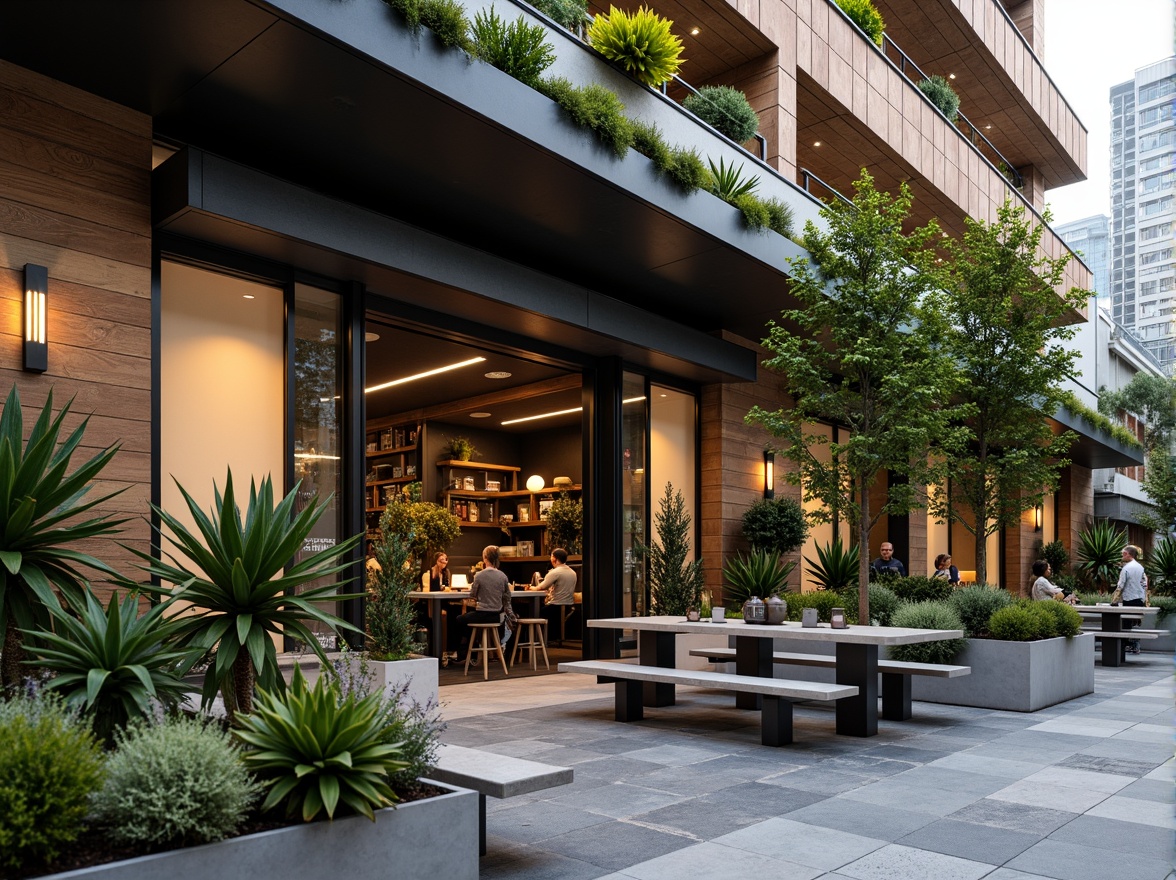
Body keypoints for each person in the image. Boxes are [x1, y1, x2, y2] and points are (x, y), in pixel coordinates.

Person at [453, 545, 511, 661]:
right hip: (496, 617)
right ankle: (470, 652)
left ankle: (464, 652)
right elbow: (507, 596)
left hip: (482, 615)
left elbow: (472, 595)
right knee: (468, 620)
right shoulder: (503, 576)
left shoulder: (479, 575)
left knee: (460, 620)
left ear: (485, 558)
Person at [527, 547, 577, 633]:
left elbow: (540, 588)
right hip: (569, 606)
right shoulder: (572, 572)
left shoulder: (555, 572)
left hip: (555, 606)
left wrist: (529, 587)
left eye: (551, 556)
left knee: (531, 613)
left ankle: (535, 638)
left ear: (554, 558)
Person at [1117, 544, 1147, 653]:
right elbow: (1144, 583)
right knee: (1136, 621)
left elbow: (1121, 585)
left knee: (1126, 622)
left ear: (1126, 554)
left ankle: (1126, 645)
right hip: (1139, 598)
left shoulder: (1126, 568)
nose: (1122, 556)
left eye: (1123, 554)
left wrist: (1115, 600)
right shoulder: (1140, 567)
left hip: (1129, 598)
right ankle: (1135, 644)